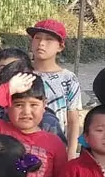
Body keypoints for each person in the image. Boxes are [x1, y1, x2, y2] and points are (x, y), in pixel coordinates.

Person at [27, 19, 83, 157]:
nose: (41, 43)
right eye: (37, 38)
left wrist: (70, 153)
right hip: (20, 146)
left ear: (60, 47)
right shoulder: (20, 73)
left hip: (54, 149)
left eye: (49, 40)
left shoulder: (68, 79)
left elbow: (73, 120)